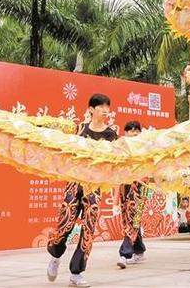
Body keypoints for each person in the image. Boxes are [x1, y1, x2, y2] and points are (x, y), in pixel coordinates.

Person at [47, 93, 118, 287]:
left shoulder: (111, 135)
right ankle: (55, 255)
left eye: (107, 107)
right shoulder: (78, 129)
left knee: (88, 230)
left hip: (94, 188)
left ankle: (76, 273)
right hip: (74, 183)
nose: (105, 110)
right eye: (101, 106)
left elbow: (114, 162)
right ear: (91, 109)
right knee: (65, 225)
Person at [117, 121, 148, 269]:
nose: (134, 133)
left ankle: (125, 254)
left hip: (141, 185)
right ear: (125, 133)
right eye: (130, 130)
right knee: (128, 218)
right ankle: (139, 249)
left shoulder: (145, 147)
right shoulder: (121, 148)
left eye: (137, 130)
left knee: (133, 217)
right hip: (125, 186)